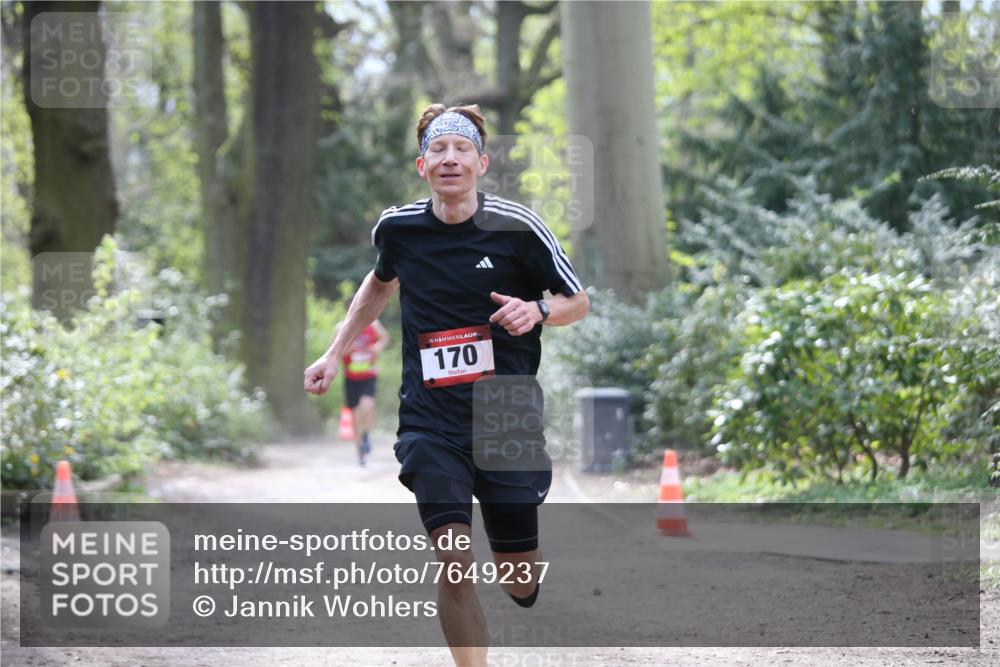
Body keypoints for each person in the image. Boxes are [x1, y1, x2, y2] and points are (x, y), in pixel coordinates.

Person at [304, 103, 589, 667]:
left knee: (519, 581)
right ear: (422, 165)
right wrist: (335, 351)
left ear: (481, 163)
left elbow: (577, 301)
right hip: (430, 420)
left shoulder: (518, 229)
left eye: (461, 150)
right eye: (439, 150)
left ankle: (520, 578)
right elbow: (379, 282)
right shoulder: (399, 228)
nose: (450, 159)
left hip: (505, 414)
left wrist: (536, 310)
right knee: (454, 560)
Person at [339, 318, 390, 465]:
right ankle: (359, 449)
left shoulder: (373, 324)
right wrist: (350, 349)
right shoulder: (342, 327)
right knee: (354, 414)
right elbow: (333, 350)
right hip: (351, 377)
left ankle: (366, 435)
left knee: (367, 407)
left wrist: (376, 347)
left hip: (369, 375)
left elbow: (385, 338)